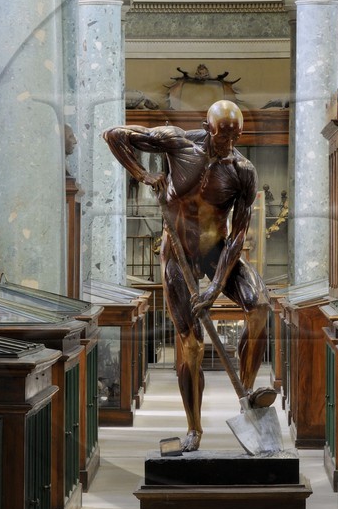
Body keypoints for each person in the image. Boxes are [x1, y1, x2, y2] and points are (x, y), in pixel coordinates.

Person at [104, 100, 268, 452]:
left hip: (216, 251)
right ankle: (194, 428)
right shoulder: (177, 143)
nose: (229, 144)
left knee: (259, 307)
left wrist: (217, 286)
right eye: (223, 136)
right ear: (209, 128)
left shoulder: (242, 171)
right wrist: (144, 175)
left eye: (236, 137)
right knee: (191, 346)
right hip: (178, 254)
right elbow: (115, 135)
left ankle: (248, 393)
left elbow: (238, 234)